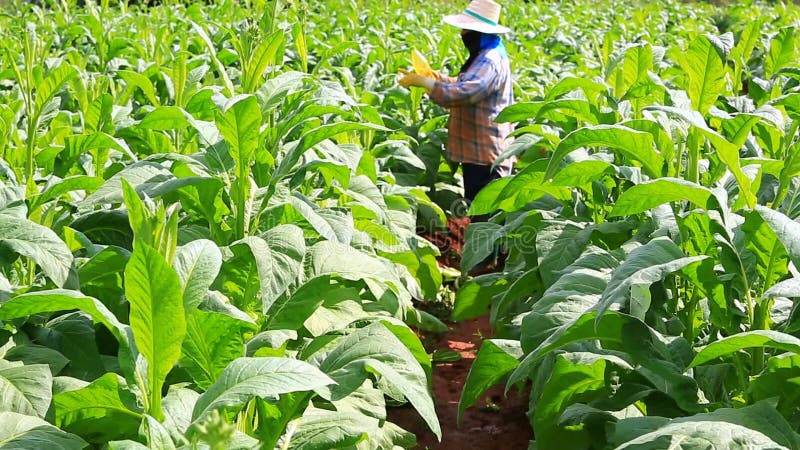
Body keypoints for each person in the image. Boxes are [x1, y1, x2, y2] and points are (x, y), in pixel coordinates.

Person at [399, 0, 514, 221]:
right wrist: (434, 78)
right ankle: (485, 254)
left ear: (478, 31)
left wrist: (425, 83)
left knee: (485, 217)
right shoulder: (485, 53)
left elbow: (466, 92)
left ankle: (486, 256)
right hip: (478, 150)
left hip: (486, 155)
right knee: (479, 210)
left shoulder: (489, 59)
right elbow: (464, 82)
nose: (462, 33)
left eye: (465, 29)